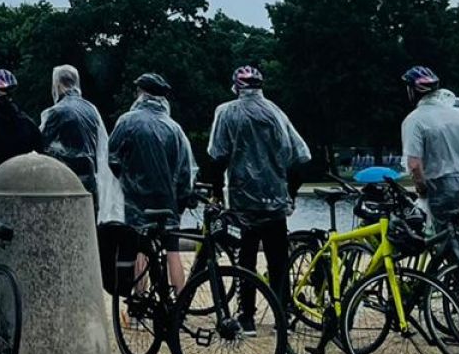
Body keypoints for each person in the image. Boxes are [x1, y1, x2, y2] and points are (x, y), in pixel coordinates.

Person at [207, 65, 310, 331]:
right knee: (278, 260)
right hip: (274, 199)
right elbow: (301, 156)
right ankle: (282, 314)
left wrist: (217, 193)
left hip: (243, 199)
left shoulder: (227, 112)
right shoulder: (276, 113)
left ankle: (247, 315)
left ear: (236, 86)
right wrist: (291, 192)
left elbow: (217, 157)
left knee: (247, 259)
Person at [108, 73, 196, 290]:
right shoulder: (174, 128)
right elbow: (186, 170)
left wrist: (126, 179)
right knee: (173, 252)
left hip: (137, 200)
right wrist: (181, 201)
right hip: (167, 201)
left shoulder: (127, 121)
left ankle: (139, 299)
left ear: (141, 94)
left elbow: (112, 157)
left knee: (141, 249)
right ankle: (179, 303)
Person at [399, 66, 459, 227]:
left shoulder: (415, 120)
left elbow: (414, 165)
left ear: (413, 91)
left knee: (444, 236)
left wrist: (422, 189)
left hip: (441, 185)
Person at [40, 64, 115, 216]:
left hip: (64, 183)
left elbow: (40, 144)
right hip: (90, 182)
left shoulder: (56, 112)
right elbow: (102, 147)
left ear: (58, 84)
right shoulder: (91, 109)